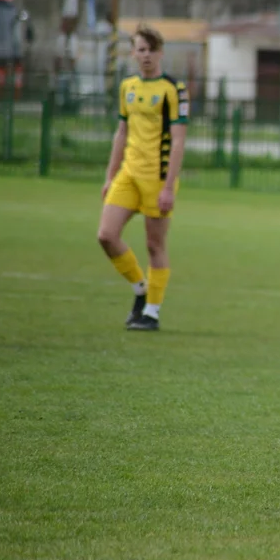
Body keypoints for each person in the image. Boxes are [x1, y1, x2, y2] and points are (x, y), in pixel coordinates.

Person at [96, 24, 189, 331]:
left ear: (160, 53)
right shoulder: (127, 87)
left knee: (154, 246)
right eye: (141, 49)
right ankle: (140, 288)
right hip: (128, 175)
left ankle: (151, 312)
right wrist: (110, 176)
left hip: (157, 178)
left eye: (151, 50)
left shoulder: (173, 90)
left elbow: (178, 140)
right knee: (106, 236)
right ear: (133, 53)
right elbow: (121, 132)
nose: (146, 56)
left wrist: (168, 187)